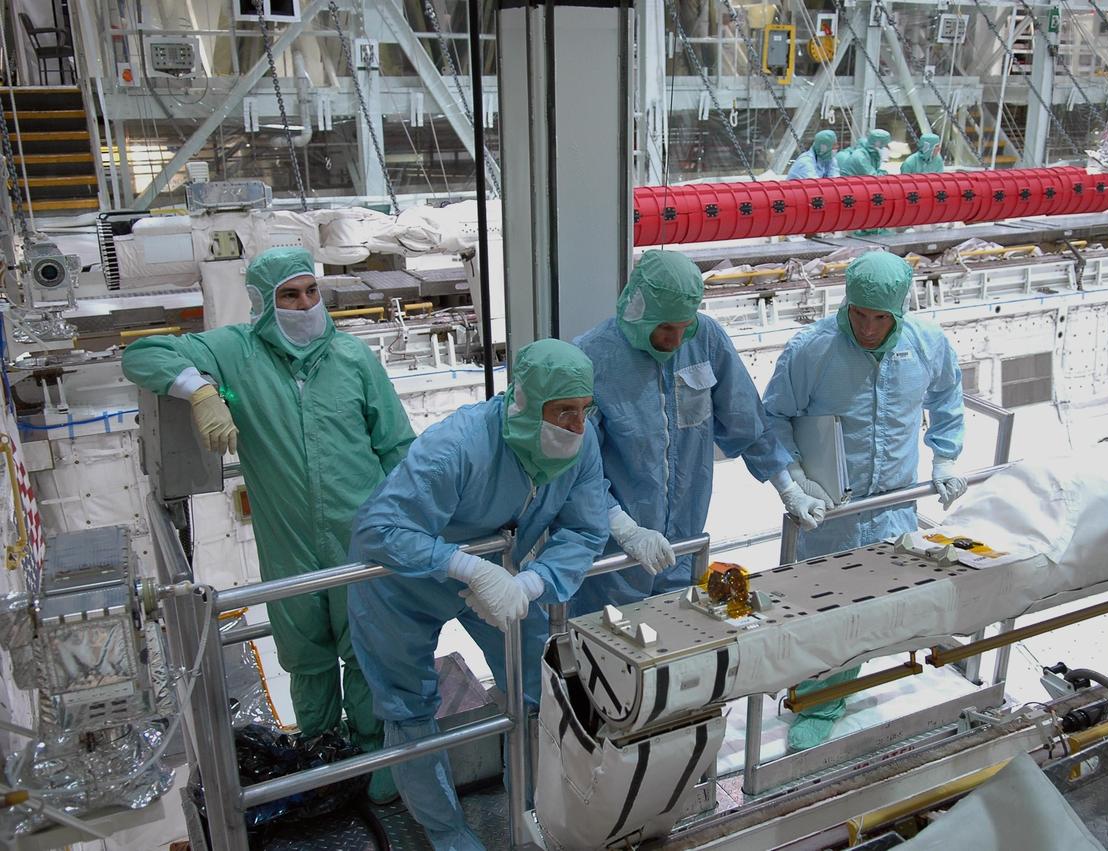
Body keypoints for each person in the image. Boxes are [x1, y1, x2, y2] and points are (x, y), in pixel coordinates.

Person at [122, 247, 415, 803]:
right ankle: (327, 763)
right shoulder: (236, 353)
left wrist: (415, 523)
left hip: (364, 536)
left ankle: (377, 763)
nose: (304, 305)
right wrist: (202, 392)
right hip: (290, 547)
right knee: (307, 663)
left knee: (370, 655)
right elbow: (143, 355)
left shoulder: (354, 358)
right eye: (289, 295)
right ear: (264, 303)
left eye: (311, 292)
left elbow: (397, 446)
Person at [346, 338, 608, 850]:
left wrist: (533, 582)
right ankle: (448, 835)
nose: (577, 426)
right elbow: (379, 529)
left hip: (499, 580)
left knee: (534, 686)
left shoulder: (582, 444)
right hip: (401, 585)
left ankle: (531, 812)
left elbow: (586, 531)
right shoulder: (459, 446)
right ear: (526, 405)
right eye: (563, 412)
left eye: (584, 410)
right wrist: (466, 566)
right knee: (409, 708)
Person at [762, 251, 967, 751]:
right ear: (846, 304)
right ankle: (814, 700)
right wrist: (792, 480)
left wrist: (945, 459)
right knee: (822, 609)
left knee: (877, 606)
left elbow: (948, 398)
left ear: (900, 310)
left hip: (894, 505)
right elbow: (772, 418)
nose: (869, 328)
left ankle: (850, 685)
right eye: (859, 315)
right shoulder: (813, 350)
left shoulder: (927, 344)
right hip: (829, 511)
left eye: (881, 318)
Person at [570, 250, 827, 616]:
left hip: (686, 543)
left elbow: (746, 421)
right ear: (637, 309)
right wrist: (627, 531)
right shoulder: (591, 358)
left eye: (683, 326)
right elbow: (577, 468)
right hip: (613, 554)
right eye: (665, 329)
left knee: (679, 638)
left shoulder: (704, 337)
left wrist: (789, 489)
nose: (677, 341)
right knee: (610, 652)